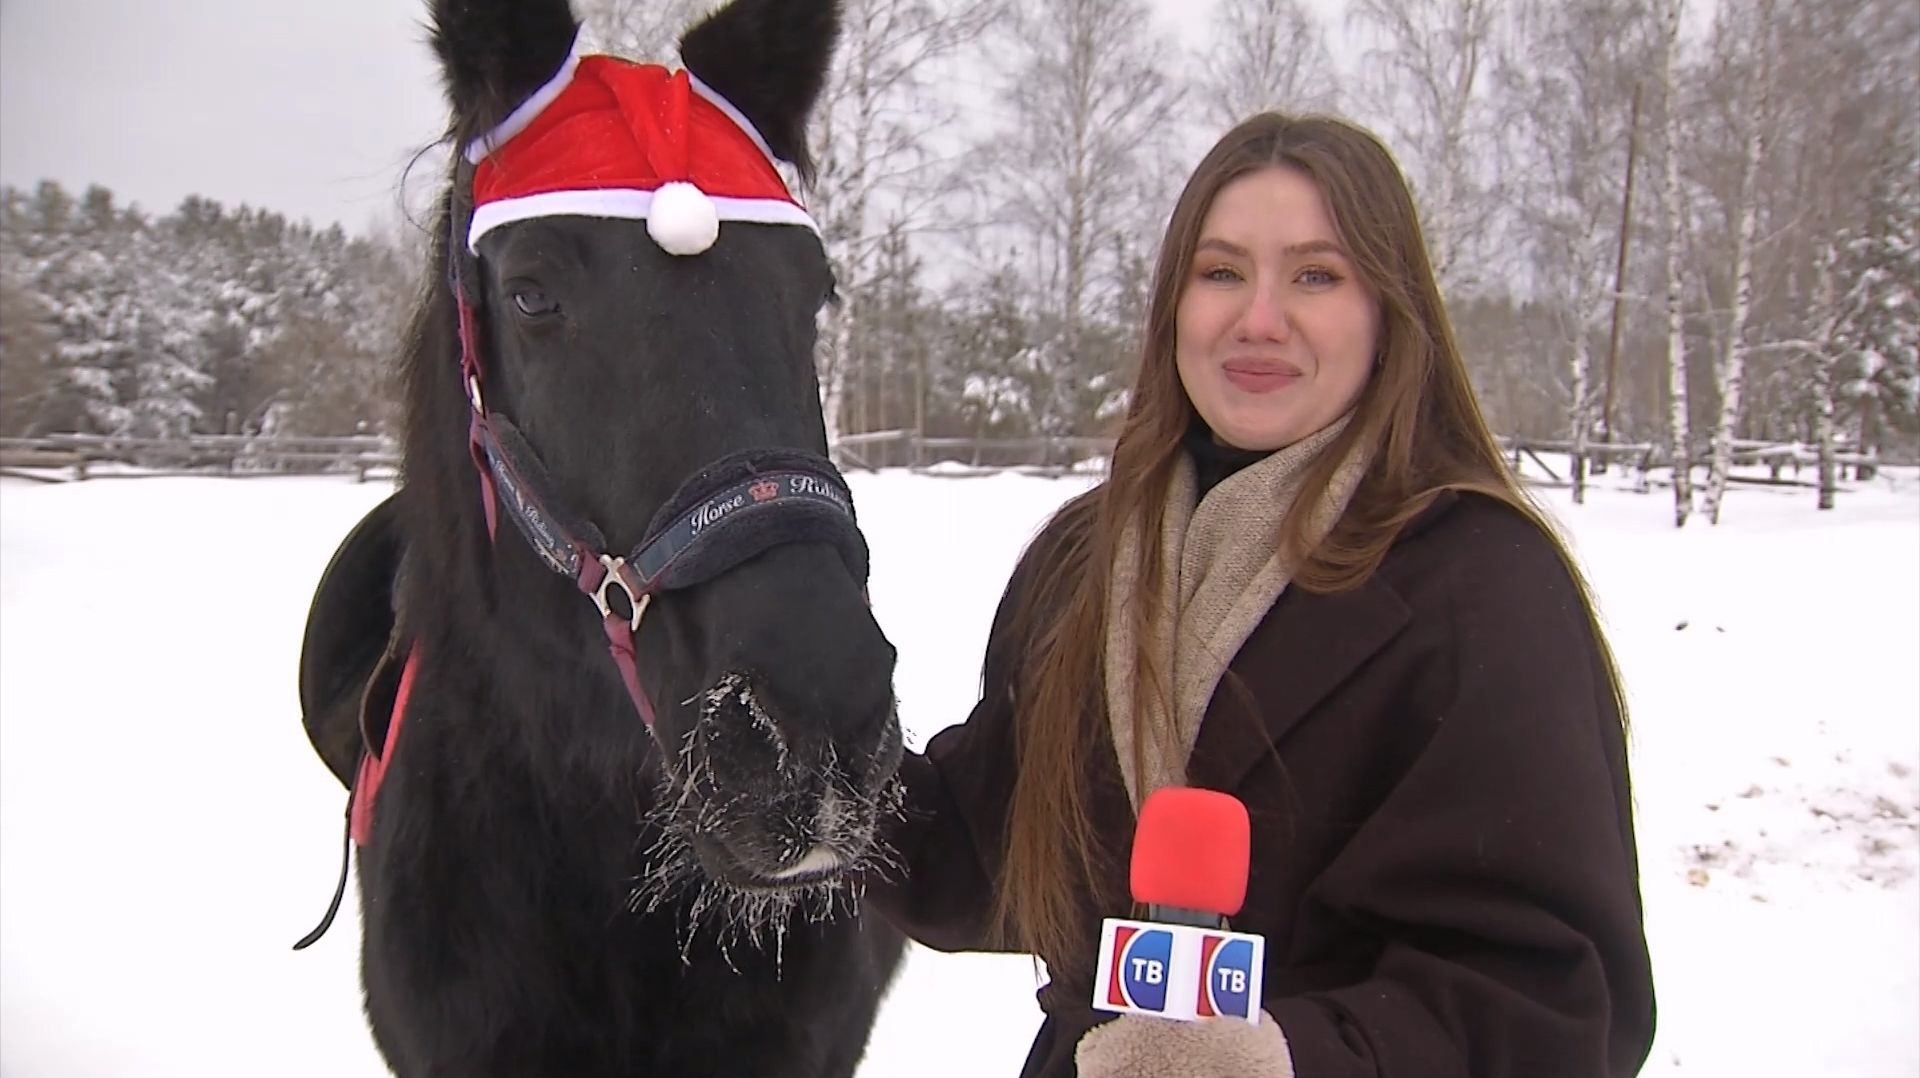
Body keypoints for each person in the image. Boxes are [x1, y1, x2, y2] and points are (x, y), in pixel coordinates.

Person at [865, 113, 1656, 1078]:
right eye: (1223, 272)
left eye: (1316, 276)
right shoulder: (1089, 556)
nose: (1259, 319)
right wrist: (814, 776)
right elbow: (996, 856)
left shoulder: (1481, 583)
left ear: (1389, 312)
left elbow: (1549, 1006)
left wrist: (1276, 1062)